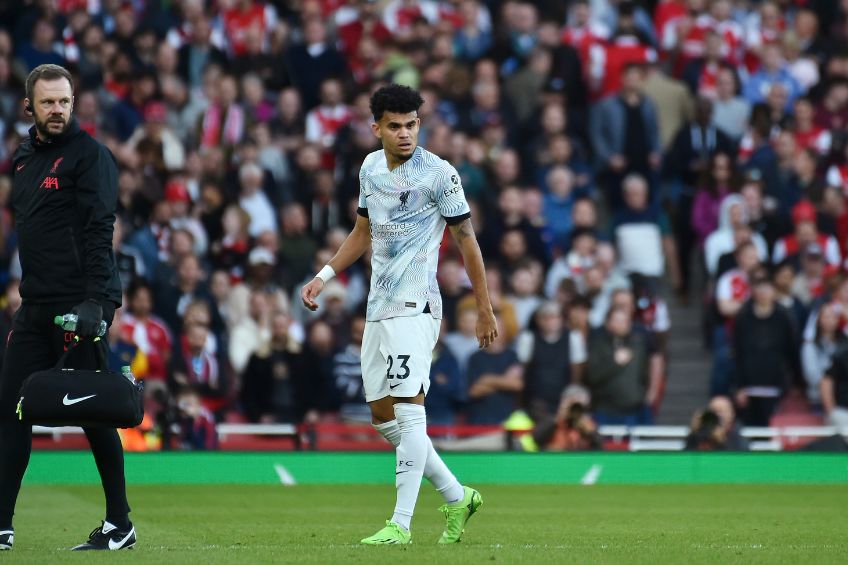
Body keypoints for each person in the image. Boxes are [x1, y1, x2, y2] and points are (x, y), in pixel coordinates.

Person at [301, 84, 497, 545]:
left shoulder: (439, 174)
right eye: (395, 125)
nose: (405, 133)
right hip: (378, 307)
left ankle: (401, 524)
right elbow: (361, 231)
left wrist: (484, 307)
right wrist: (324, 276)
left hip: (416, 305)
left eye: (412, 124)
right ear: (377, 129)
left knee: (410, 412)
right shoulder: (370, 168)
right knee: (382, 415)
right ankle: (457, 495)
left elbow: (467, 240)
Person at [0, 64, 134, 551]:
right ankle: (2, 524)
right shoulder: (22, 158)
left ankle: (120, 523)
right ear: (29, 107)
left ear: (73, 103)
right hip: (34, 304)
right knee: (10, 409)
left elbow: (100, 230)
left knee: (95, 413)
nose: (57, 110)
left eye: (64, 101)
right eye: (48, 102)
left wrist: (98, 303)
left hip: (80, 306)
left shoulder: (90, 157)